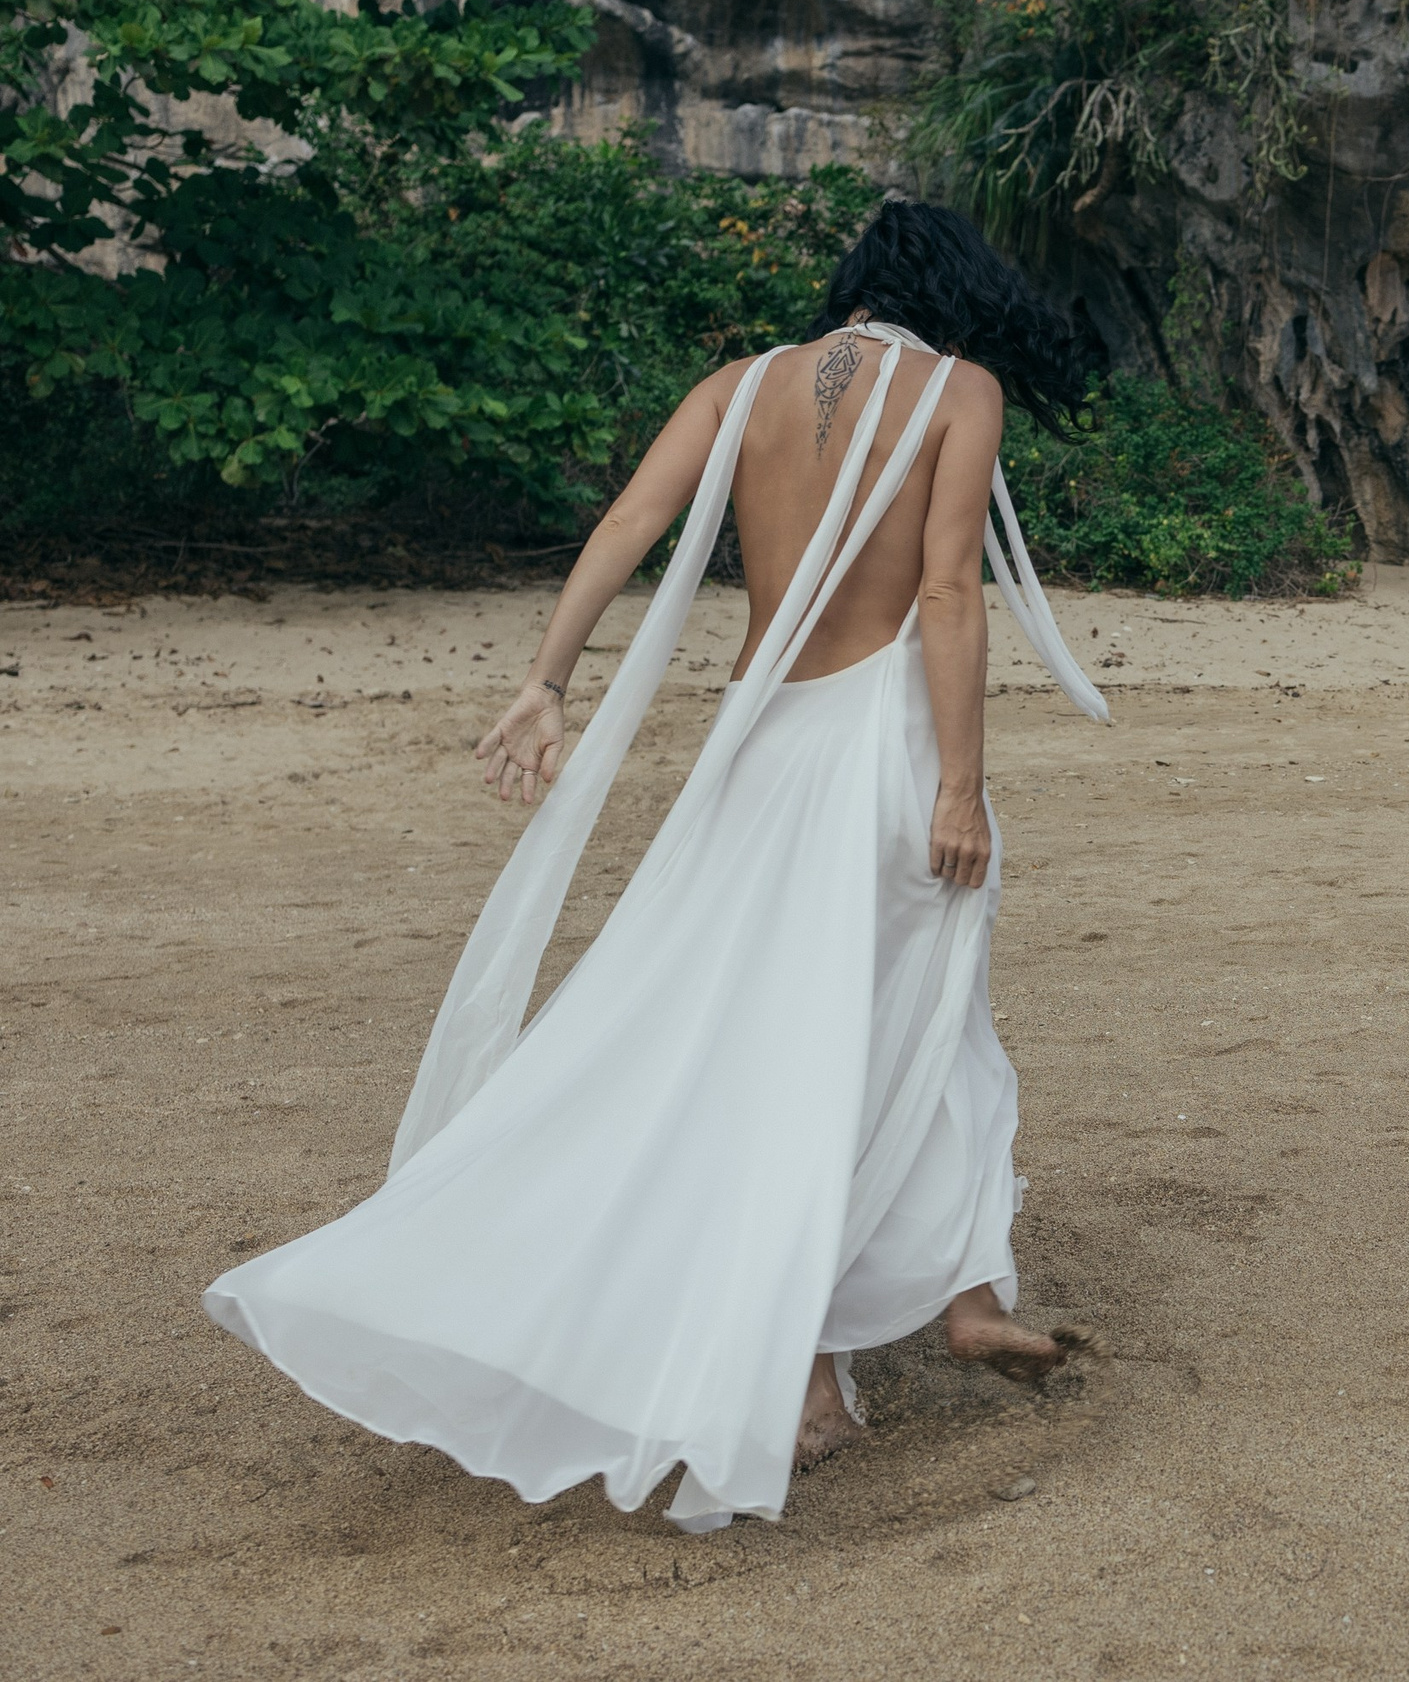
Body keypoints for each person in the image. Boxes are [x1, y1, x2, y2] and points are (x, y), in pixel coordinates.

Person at [203, 201, 1109, 1532]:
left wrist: (546, 680)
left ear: (851, 287)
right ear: (955, 292)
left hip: (756, 751)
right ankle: (915, 1320)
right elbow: (948, 595)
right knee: (916, 1017)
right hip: (881, 751)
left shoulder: (742, 385)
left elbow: (633, 518)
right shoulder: (957, 388)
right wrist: (963, 786)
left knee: (769, 1038)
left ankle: (863, 1348)